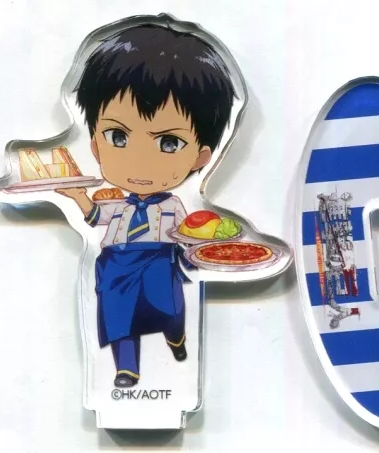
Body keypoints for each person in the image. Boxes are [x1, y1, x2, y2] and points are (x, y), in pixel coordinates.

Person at [56, 23, 235, 388]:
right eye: (117, 136)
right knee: (117, 313)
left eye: (168, 143)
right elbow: (95, 216)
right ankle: (127, 368)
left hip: (159, 263)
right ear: (95, 146)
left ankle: (176, 337)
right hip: (116, 265)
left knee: (170, 309)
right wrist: (77, 197)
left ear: (200, 157)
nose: (139, 162)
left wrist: (197, 252)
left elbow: (186, 235)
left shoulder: (173, 205)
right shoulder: (116, 204)